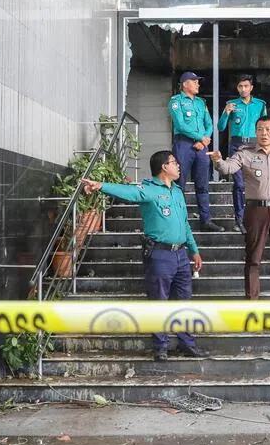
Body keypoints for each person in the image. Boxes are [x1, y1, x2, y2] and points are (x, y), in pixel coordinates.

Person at [82, 151, 207, 361]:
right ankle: (161, 346)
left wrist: (194, 250)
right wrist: (101, 185)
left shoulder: (177, 192)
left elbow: (185, 224)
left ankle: (187, 343)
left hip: (181, 255)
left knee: (184, 301)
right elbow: (129, 192)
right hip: (160, 254)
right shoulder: (149, 190)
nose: (179, 166)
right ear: (164, 167)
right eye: (174, 162)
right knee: (158, 300)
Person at [208, 117, 270, 300]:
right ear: (255, 132)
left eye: (267, 129)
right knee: (253, 259)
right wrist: (218, 161)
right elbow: (228, 168)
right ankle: (252, 302)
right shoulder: (245, 153)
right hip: (255, 210)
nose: (264, 133)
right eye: (260, 129)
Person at [168, 72, 223, 232]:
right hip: (183, 144)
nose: (198, 84)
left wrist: (204, 139)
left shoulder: (200, 103)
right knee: (179, 184)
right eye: (194, 82)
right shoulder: (175, 102)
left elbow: (209, 123)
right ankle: (178, 222)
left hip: (201, 148)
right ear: (185, 84)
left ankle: (206, 221)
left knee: (203, 185)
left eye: (198, 82)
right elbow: (181, 124)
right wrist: (201, 138)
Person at [216, 74, 267, 234]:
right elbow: (220, 127)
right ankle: (239, 220)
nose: (243, 89)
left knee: (257, 182)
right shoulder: (231, 104)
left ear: (251, 88)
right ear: (237, 88)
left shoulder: (260, 104)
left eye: (246, 86)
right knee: (239, 184)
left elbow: (266, 126)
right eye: (240, 86)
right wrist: (225, 113)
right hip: (237, 145)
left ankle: (256, 219)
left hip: (254, 145)